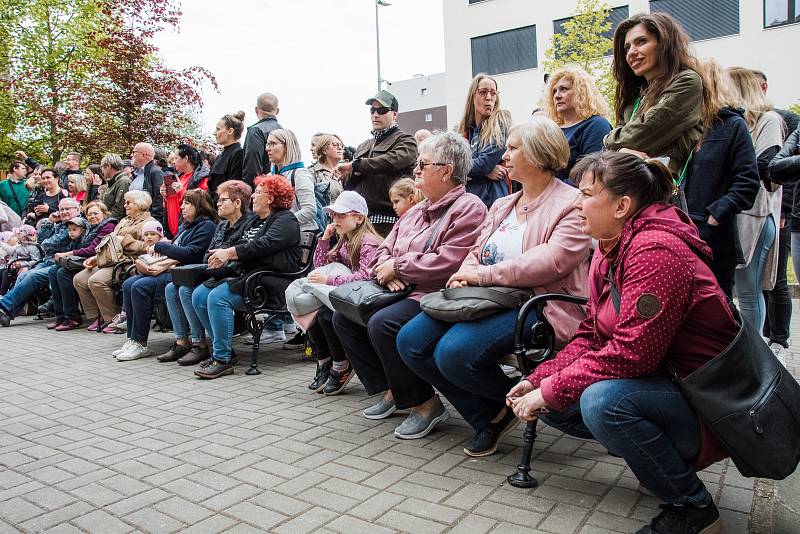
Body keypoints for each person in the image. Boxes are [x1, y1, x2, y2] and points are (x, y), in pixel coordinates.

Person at [507, 151, 738, 534]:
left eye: (585, 195)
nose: (576, 204)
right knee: (562, 402)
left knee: (602, 403)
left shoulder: (655, 251)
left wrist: (550, 390)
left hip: (711, 402)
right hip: (670, 384)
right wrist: (540, 379)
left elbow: (633, 354)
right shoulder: (611, 248)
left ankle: (693, 508)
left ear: (621, 206)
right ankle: (657, 463)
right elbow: (593, 334)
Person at [398, 117, 592, 456]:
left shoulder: (572, 203)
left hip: (538, 305)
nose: (505, 155)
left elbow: (552, 261)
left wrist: (481, 275)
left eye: (513, 148)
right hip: (488, 298)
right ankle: (493, 413)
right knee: (410, 340)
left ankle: (515, 406)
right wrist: (464, 273)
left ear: (539, 153)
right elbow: (476, 250)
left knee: (453, 353)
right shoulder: (503, 204)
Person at [333, 131, 487, 439]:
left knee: (383, 323)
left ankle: (425, 404)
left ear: (447, 171)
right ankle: (392, 389)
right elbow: (382, 249)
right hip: (400, 287)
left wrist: (399, 267)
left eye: (423, 164)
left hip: (436, 293)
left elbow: (449, 260)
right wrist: (385, 270)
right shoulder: (416, 210)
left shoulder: (469, 207)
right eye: (417, 163)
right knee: (342, 316)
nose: (415, 169)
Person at [191, 175, 301, 379]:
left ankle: (221, 360)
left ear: (271, 197)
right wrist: (221, 254)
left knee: (218, 298)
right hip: (248, 277)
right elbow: (239, 242)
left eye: (258, 192)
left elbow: (264, 244)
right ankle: (223, 351)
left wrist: (229, 253)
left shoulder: (285, 219)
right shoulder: (256, 220)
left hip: (270, 281)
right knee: (198, 295)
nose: (253, 196)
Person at [682, 60, 759, 299]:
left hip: (713, 236)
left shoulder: (733, 125)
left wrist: (716, 215)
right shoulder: (684, 127)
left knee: (718, 307)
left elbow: (747, 181)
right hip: (681, 230)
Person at [159, 180, 254, 366]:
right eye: (217, 199)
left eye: (222, 199)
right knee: (172, 287)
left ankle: (201, 344)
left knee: (188, 291)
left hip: (234, 276)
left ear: (237, 203)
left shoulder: (248, 224)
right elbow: (206, 256)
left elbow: (242, 254)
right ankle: (181, 340)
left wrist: (224, 255)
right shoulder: (222, 225)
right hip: (214, 272)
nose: (217, 202)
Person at [604, 12, 712, 176]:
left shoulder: (687, 81)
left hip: (663, 191)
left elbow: (640, 135)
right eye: (627, 47)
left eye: (641, 42)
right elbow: (620, 144)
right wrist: (620, 149)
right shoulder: (634, 96)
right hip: (630, 186)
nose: (631, 52)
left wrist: (609, 141)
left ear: (664, 43)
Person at [115, 190, 217, 361]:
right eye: (182, 203)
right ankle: (132, 339)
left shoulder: (206, 226)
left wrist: (160, 247)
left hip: (188, 273)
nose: (182, 207)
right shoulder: (186, 225)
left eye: (187, 203)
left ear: (199, 206)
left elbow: (191, 253)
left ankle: (141, 343)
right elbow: (177, 248)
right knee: (128, 283)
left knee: (140, 287)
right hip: (174, 269)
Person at [302, 191, 383, 395]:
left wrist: (329, 280)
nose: (335, 219)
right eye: (333, 215)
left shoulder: (367, 241)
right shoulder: (345, 240)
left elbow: (366, 276)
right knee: (312, 310)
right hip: (352, 294)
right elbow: (319, 267)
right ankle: (325, 360)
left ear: (358, 217)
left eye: (341, 215)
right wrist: (324, 240)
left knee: (327, 315)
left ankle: (341, 363)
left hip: (369, 297)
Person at [727, 67, 785, 335]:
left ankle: (755, 356)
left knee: (749, 290)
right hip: (736, 216)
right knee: (734, 288)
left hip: (756, 215)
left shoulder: (768, 120)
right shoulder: (734, 122)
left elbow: (765, 166)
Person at [336, 90, 418, 236]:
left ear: (394, 114)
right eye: (372, 110)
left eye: (381, 110)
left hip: (391, 220)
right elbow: (354, 182)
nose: (375, 114)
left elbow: (390, 161)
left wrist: (355, 166)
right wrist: (347, 175)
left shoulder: (406, 140)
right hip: (361, 220)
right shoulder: (363, 145)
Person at [73, 190, 155, 332]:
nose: (125, 205)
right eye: (125, 202)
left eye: (129, 202)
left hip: (130, 262)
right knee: (79, 279)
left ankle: (113, 318)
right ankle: (95, 317)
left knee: (96, 280)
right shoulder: (124, 220)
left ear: (140, 203)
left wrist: (125, 241)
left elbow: (148, 247)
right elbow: (110, 242)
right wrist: (96, 258)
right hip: (113, 260)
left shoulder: (149, 222)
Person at [0, 198, 81, 327]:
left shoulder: (77, 224)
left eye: (68, 209)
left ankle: (4, 305)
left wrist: (46, 243)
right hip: (47, 260)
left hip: (62, 262)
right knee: (23, 275)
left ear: (77, 210)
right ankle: (7, 313)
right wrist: (49, 221)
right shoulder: (59, 223)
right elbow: (41, 238)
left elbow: (53, 242)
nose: (64, 212)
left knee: (33, 276)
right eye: (62, 209)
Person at [48, 202, 117, 331]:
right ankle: (61, 316)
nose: (92, 216)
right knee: (53, 271)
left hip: (100, 261)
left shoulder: (108, 226)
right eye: (89, 214)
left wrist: (68, 254)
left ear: (104, 213)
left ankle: (73, 317)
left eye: (96, 213)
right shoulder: (89, 227)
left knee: (63, 273)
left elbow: (92, 249)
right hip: (85, 261)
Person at [545, 67, 612, 183]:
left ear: (581, 92)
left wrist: (553, 194)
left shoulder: (596, 125)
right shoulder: (551, 128)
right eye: (554, 91)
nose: (557, 96)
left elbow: (592, 173)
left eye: (564, 89)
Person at [456, 74, 514, 208]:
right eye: (483, 92)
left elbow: (484, 163)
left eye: (493, 93)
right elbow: (453, 165)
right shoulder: (464, 130)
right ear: (472, 96)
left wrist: (481, 169)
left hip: (492, 201)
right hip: (468, 201)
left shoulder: (501, 121)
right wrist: (486, 172)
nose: (489, 97)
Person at [770, 122, 800, 364]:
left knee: (777, 281)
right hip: (797, 219)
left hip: (788, 216)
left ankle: (779, 338)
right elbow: (776, 168)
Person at [161, 144, 209, 238]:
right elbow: (170, 203)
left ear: (186, 158)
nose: (173, 162)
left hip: (187, 231)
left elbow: (201, 204)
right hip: (172, 231)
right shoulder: (178, 176)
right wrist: (164, 196)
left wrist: (181, 191)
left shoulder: (202, 178)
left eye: (176, 158)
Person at [242, 92, 282, 187]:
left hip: (261, 190)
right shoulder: (285, 133)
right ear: (277, 111)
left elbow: (252, 167)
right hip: (281, 188)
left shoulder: (255, 132)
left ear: (256, 110)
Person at [208, 112, 245, 196]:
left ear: (230, 131)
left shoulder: (238, 154)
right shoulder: (219, 157)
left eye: (218, 129)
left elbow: (233, 188)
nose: (214, 133)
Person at [129, 142, 165, 224]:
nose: (131, 155)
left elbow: (159, 199)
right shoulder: (136, 174)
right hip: (133, 220)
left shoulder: (156, 173)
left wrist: (153, 221)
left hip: (146, 222)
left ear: (143, 155)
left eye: (134, 152)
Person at [308, 133, 345, 203]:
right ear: (324, 150)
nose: (340, 148)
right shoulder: (313, 173)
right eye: (335, 145)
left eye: (341, 145)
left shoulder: (348, 170)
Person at [100, 154, 131, 220]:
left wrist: (104, 222)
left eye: (102, 167)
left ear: (108, 167)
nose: (101, 171)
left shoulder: (123, 182)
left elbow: (119, 209)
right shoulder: (113, 182)